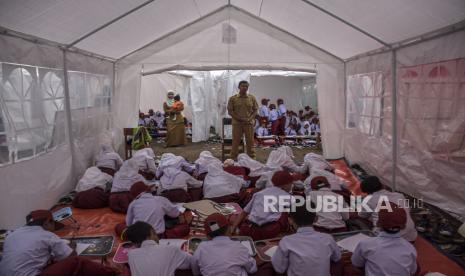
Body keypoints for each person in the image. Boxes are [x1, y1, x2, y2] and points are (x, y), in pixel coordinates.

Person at [0, 210, 116, 276]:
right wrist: (72, 247)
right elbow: (71, 257)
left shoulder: (12, 235)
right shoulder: (46, 235)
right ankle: (111, 274)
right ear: (46, 223)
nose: (54, 229)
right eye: (53, 224)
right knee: (77, 262)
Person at [271, 203, 341, 276]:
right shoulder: (328, 238)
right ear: (316, 219)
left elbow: (279, 268)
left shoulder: (286, 241)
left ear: (290, 220)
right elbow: (337, 258)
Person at [351, 202, 418, 276]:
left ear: (378, 223)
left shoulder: (366, 244)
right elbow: (412, 271)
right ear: (403, 225)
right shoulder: (410, 248)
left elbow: (356, 264)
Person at [230, 171, 293, 240]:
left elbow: (244, 213)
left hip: (248, 230)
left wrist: (233, 227)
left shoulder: (260, 193)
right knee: (287, 214)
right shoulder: (287, 196)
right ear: (286, 184)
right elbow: (295, 218)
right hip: (269, 232)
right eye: (291, 183)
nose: (292, 185)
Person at [191, 213, 257, 276]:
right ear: (229, 230)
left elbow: (195, 272)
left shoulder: (201, 247)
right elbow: (252, 269)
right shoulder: (239, 247)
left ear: (207, 236)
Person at [359, 176, 417, 242]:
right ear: (382, 185)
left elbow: (362, 216)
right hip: (410, 236)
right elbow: (408, 211)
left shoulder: (368, 200)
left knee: (363, 220)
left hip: (386, 239)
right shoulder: (399, 195)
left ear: (367, 192)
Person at [123, 182, 189, 239]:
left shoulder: (133, 203)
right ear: (148, 190)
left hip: (138, 237)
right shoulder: (160, 200)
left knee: (120, 227)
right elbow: (175, 214)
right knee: (182, 225)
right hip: (157, 235)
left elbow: (128, 224)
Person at [126, 221, 192, 276]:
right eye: (155, 233)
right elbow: (192, 262)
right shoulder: (171, 250)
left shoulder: (131, 255)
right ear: (152, 232)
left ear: (134, 244)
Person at [227, 80, 258, 159]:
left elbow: (255, 110)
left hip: (249, 124)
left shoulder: (252, 98)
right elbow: (230, 111)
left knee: (250, 142)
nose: (244, 88)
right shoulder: (233, 99)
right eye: (243, 86)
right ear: (239, 87)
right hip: (237, 124)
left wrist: (250, 118)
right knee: (236, 142)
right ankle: (233, 159)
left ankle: (251, 159)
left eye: (246, 86)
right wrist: (240, 119)